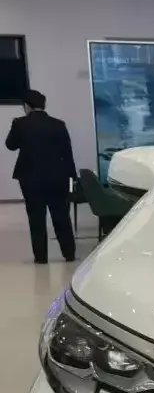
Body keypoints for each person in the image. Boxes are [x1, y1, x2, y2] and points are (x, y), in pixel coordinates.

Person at [6, 89, 77, 264]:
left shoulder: (20, 124)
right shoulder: (58, 124)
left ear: (26, 106)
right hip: (58, 177)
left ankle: (41, 257)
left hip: (30, 178)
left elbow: (11, 145)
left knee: (36, 218)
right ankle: (69, 254)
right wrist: (72, 177)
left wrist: (13, 127)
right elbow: (67, 153)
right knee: (61, 216)